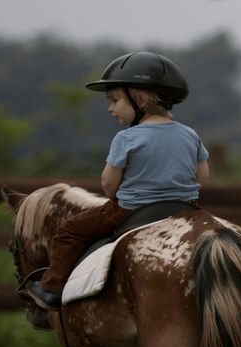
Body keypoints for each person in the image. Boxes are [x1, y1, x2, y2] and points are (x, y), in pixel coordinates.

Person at [25, 51, 210, 310]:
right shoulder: (190, 134)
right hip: (185, 209)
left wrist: (118, 197)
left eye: (115, 100)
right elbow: (203, 175)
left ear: (140, 99)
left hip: (131, 210)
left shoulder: (126, 138)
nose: (111, 108)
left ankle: (52, 289)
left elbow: (109, 183)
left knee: (69, 231)